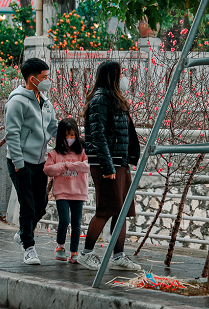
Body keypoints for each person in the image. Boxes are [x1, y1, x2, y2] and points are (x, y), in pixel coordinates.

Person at [77, 61, 141, 271]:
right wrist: (107, 167)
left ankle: (118, 255)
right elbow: (98, 135)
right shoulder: (101, 99)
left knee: (121, 211)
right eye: (120, 74)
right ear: (112, 76)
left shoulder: (113, 99)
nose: (123, 78)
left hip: (119, 162)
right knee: (105, 209)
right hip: (108, 163)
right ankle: (85, 253)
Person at [5, 58, 58, 265]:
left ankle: (23, 232)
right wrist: (19, 165)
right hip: (20, 162)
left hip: (40, 161)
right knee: (27, 204)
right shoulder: (17, 101)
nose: (47, 81)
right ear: (32, 78)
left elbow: (53, 128)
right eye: (44, 77)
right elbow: (12, 134)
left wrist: (72, 142)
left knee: (41, 204)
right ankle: (29, 246)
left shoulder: (45, 102)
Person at [43, 118, 89, 263]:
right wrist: (63, 167)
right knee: (64, 220)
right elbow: (48, 169)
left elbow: (88, 166)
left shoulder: (82, 151)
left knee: (76, 223)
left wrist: (72, 165)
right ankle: (60, 246)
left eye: (72, 135)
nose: (69, 139)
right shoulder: (55, 153)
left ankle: (74, 251)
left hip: (79, 192)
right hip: (62, 192)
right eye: (66, 136)